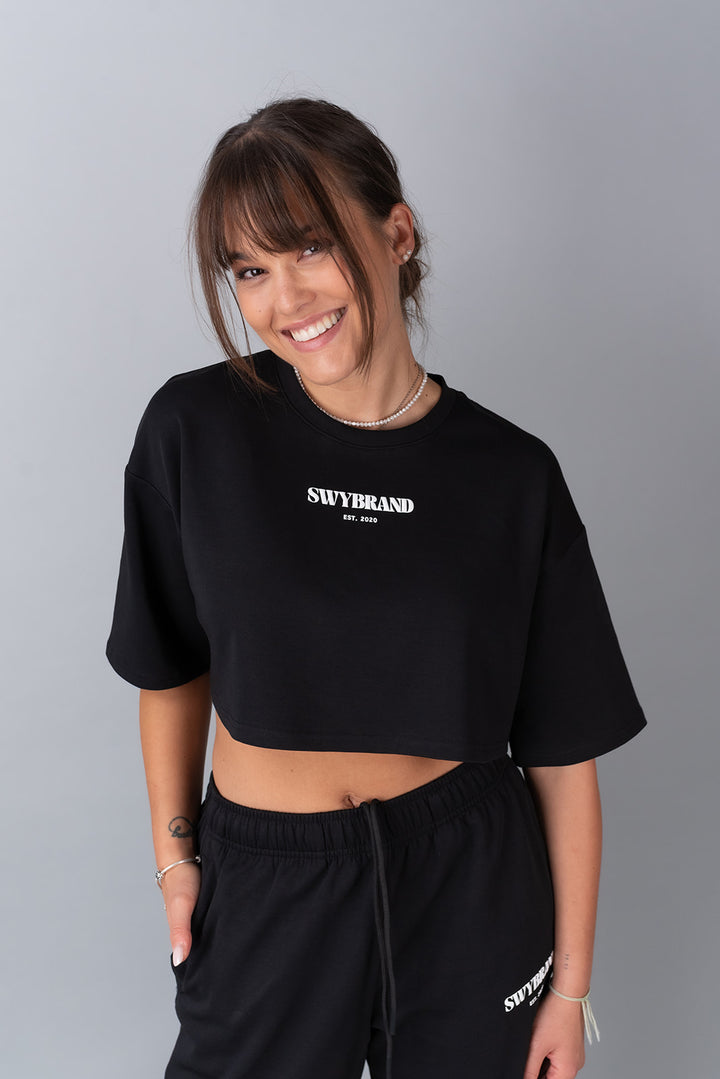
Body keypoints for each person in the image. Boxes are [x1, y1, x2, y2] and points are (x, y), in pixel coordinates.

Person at [105, 97, 647, 1079]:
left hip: (467, 878)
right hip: (271, 879)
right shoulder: (196, 431)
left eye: (310, 247)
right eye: (249, 269)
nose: (285, 297)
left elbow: (563, 752)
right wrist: (177, 855)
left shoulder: (511, 474)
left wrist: (571, 989)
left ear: (397, 233)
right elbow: (168, 663)